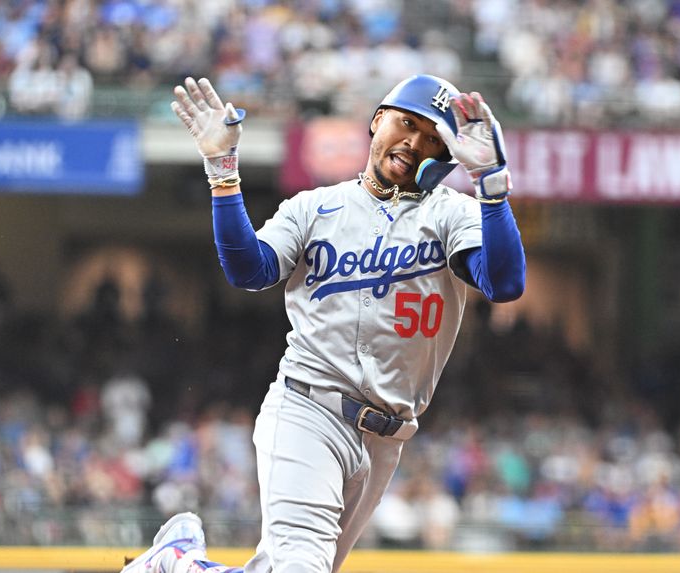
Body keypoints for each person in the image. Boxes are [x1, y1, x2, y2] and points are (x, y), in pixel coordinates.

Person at [122, 73, 526, 573]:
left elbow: (503, 283)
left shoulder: (456, 215)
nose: (414, 142)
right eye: (407, 124)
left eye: (432, 139)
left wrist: (491, 187)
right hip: (310, 409)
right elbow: (249, 271)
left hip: (388, 436)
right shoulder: (314, 208)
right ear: (378, 120)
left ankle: (176, 564)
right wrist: (222, 170)